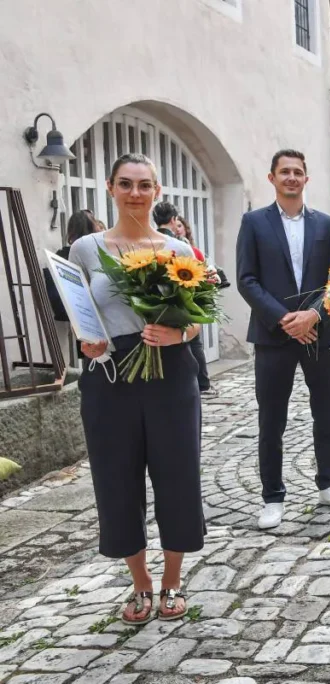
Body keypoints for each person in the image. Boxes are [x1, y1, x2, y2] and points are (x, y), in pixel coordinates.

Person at [69, 153, 205, 623]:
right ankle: (140, 583)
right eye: (125, 184)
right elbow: (79, 311)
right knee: (116, 478)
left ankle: (172, 580)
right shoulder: (86, 249)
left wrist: (177, 333)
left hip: (171, 371)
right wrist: (86, 342)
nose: (135, 193)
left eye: (145, 185)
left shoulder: (179, 251)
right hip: (109, 376)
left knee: (178, 475)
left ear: (157, 191)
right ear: (110, 188)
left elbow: (198, 318)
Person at [236, 149, 330, 529]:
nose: (291, 177)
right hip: (273, 335)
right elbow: (246, 279)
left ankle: (328, 483)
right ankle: (272, 496)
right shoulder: (254, 222)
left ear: (306, 178)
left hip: (319, 331)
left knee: (325, 411)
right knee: (272, 419)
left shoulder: (325, 224)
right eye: (284, 171)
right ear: (272, 178)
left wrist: (313, 315)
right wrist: (283, 318)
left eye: (298, 172)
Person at [152, 202, 213, 394]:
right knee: (193, 343)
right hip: (181, 300)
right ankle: (202, 382)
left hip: (156, 307)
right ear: (173, 219)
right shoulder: (180, 245)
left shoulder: (150, 242)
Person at [45, 209, 103, 323]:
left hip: (77, 316)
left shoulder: (60, 256)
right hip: (94, 315)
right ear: (92, 228)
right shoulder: (96, 254)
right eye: (95, 222)